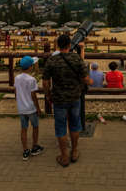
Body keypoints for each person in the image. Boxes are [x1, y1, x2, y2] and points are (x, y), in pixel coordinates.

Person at [42, 35, 92, 167]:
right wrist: (90, 81)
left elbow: (45, 82)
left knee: (60, 127)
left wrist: (48, 95)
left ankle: (64, 156)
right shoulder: (76, 58)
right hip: (75, 98)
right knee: (75, 125)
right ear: (69, 45)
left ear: (58, 45)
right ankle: (74, 152)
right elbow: (86, 78)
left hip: (58, 99)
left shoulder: (52, 60)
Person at [14, 56, 43, 161]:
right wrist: (38, 108)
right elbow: (33, 95)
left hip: (21, 108)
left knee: (23, 128)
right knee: (35, 126)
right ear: (30, 67)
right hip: (31, 108)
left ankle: (25, 150)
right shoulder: (32, 80)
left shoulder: (17, 78)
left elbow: (16, 92)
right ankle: (34, 146)